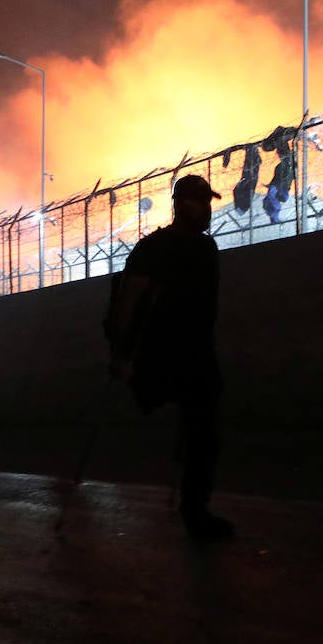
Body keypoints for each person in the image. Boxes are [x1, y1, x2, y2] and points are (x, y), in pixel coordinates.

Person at [108, 174, 232, 540]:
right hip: (162, 354)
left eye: (207, 200)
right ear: (179, 204)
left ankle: (196, 509)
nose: (205, 207)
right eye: (197, 200)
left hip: (197, 353)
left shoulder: (207, 250)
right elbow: (127, 302)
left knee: (204, 432)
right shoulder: (155, 248)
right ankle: (192, 509)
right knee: (198, 428)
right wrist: (120, 353)